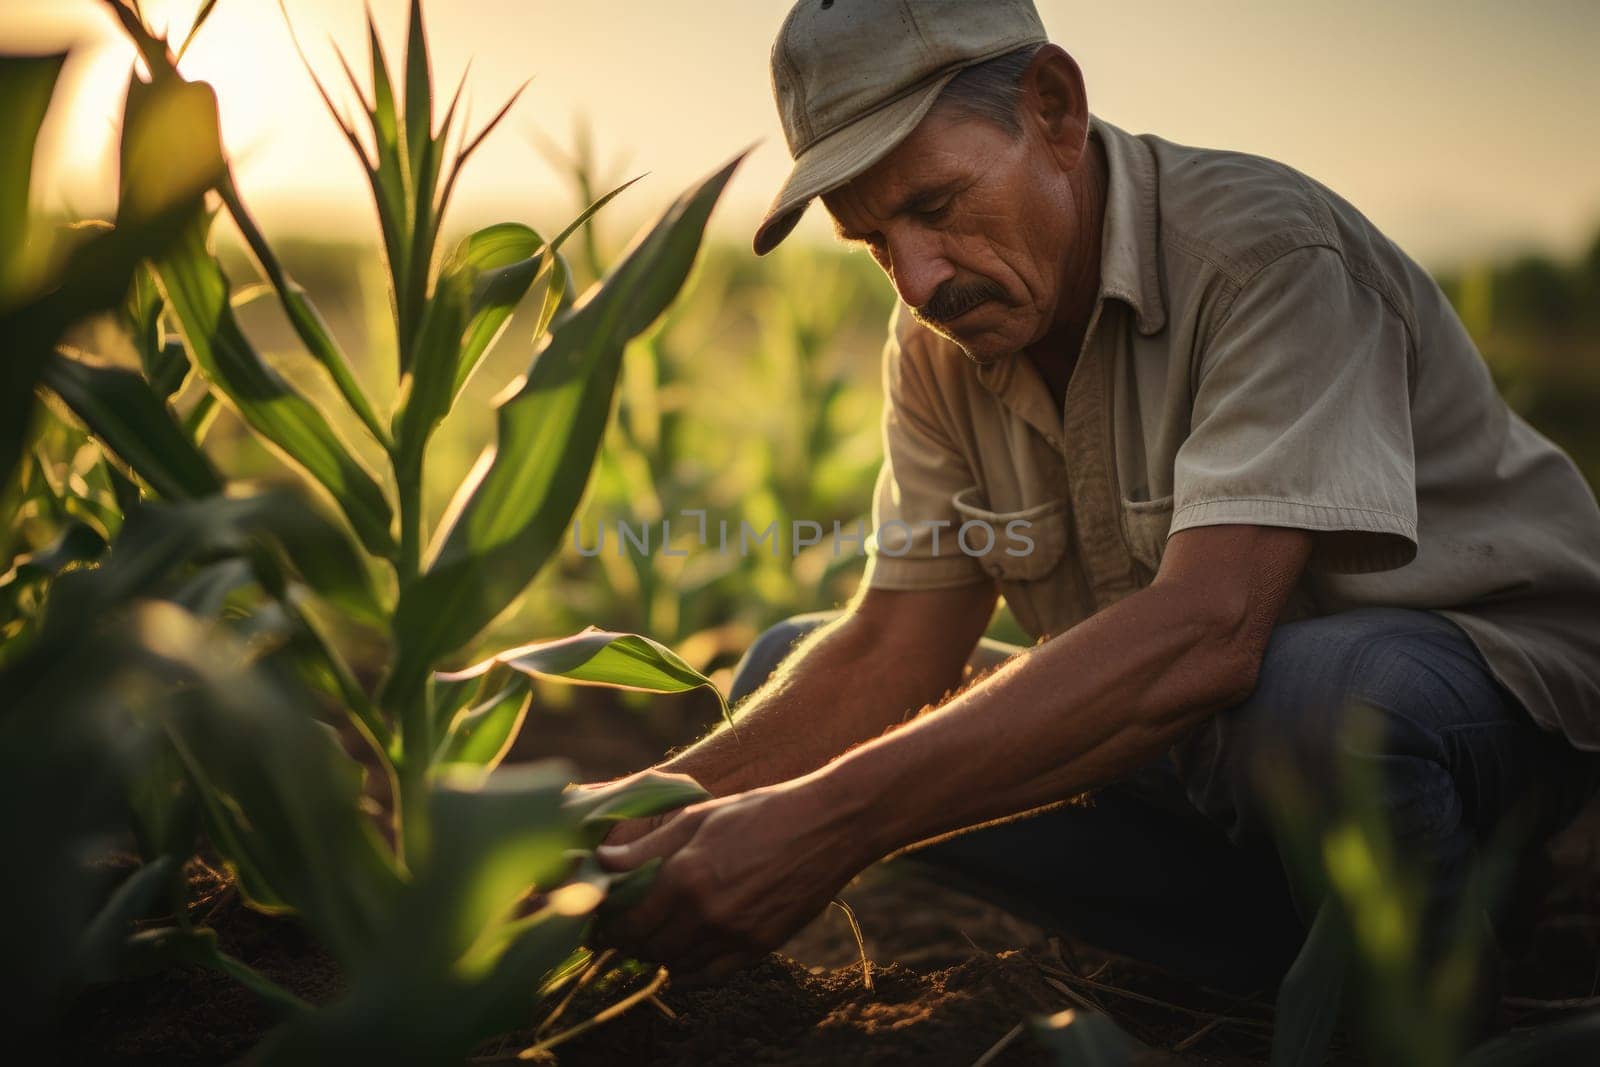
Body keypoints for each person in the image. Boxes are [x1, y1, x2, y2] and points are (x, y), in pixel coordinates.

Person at [591, 0, 1600, 994]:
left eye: (934, 207)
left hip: (1478, 711)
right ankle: (1277, 950)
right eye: (873, 241)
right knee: (784, 672)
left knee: (1331, 694)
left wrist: (829, 820)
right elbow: (898, 642)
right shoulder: (942, 340)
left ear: (1054, 109)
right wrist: (628, 822)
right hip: (1222, 755)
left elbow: (1212, 628)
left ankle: (1445, 956)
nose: (917, 279)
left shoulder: (1267, 260)